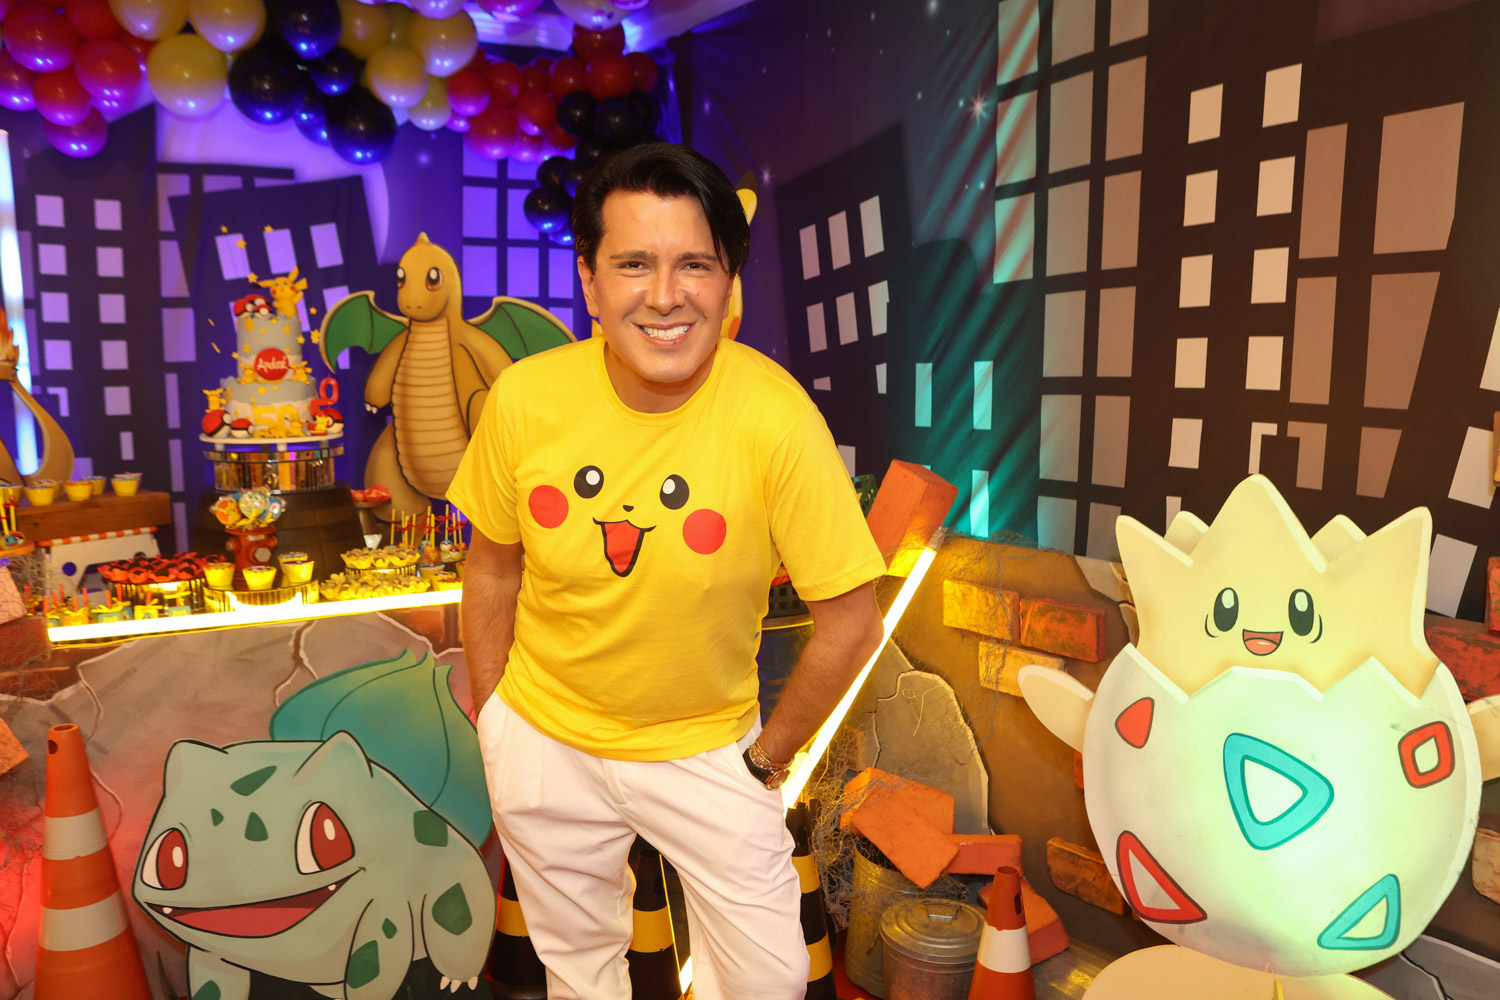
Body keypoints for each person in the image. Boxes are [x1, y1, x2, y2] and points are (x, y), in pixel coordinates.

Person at [448, 143, 886, 1000]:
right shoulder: (526, 399)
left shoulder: (775, 416)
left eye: (694, 264)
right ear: (589, 282)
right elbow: (492, 570)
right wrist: (497, 718)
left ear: (728, 283)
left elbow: (851, 622)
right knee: (577, 969)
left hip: (707, 750)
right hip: (544, 738)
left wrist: (765, 763)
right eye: (633, 264)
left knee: (769, 979)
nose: (664, 295)